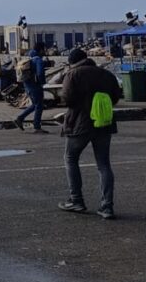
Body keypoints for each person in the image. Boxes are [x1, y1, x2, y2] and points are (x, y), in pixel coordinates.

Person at [59, 48, 121, 219]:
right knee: (104, 165)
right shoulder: (106, 74)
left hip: (79, 123)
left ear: (72, 62)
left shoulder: (73, 75)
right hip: (103, 123)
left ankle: (76, 200)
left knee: (71, 158)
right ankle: (107, 207)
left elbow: (67, 99)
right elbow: (116, 97)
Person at [15, 41, 48, 134]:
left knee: (35, 105)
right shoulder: (38, 60)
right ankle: (37, 127)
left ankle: (20, 118)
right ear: (41, 50)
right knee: (39, 106)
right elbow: (40, 73)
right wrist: (42, 82)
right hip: (35, 86)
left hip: (27, 85)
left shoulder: (30, 58)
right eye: (44, 49)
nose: (45, 51)